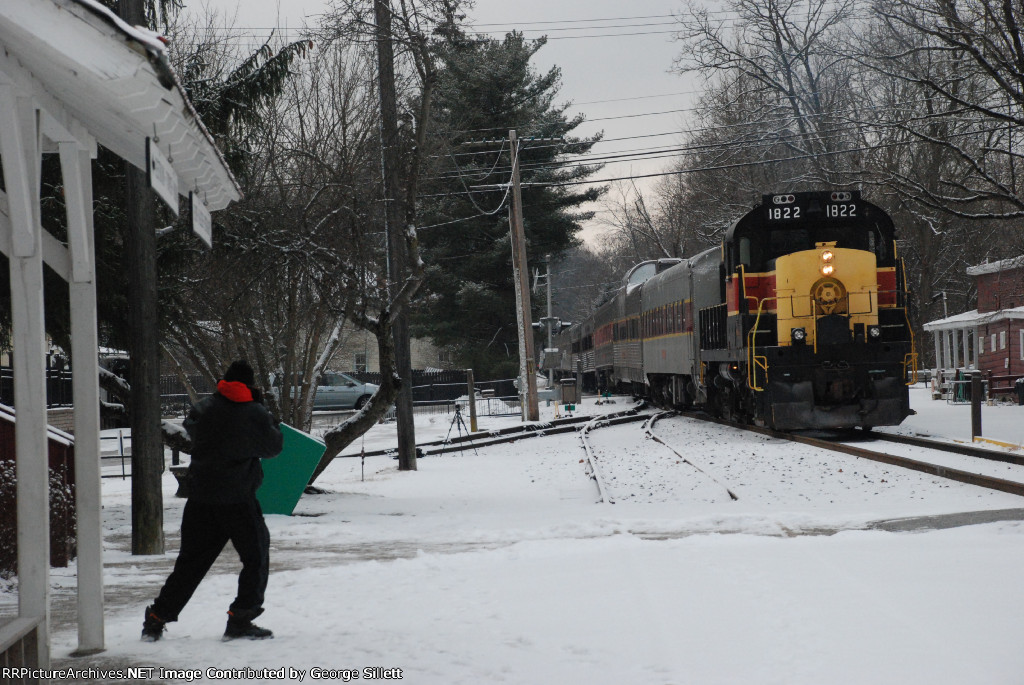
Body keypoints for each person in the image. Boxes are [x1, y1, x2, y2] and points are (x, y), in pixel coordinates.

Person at [142, 360, 283, 641]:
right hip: (238, 500)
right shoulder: (254, 412)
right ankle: (241, 619)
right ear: (250, 384)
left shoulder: (204, 408)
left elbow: (192, 430)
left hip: (201, 498)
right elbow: (273, 447)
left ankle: (156, 618)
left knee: (191, 563)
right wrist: (268, 419)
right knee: (256, 557)